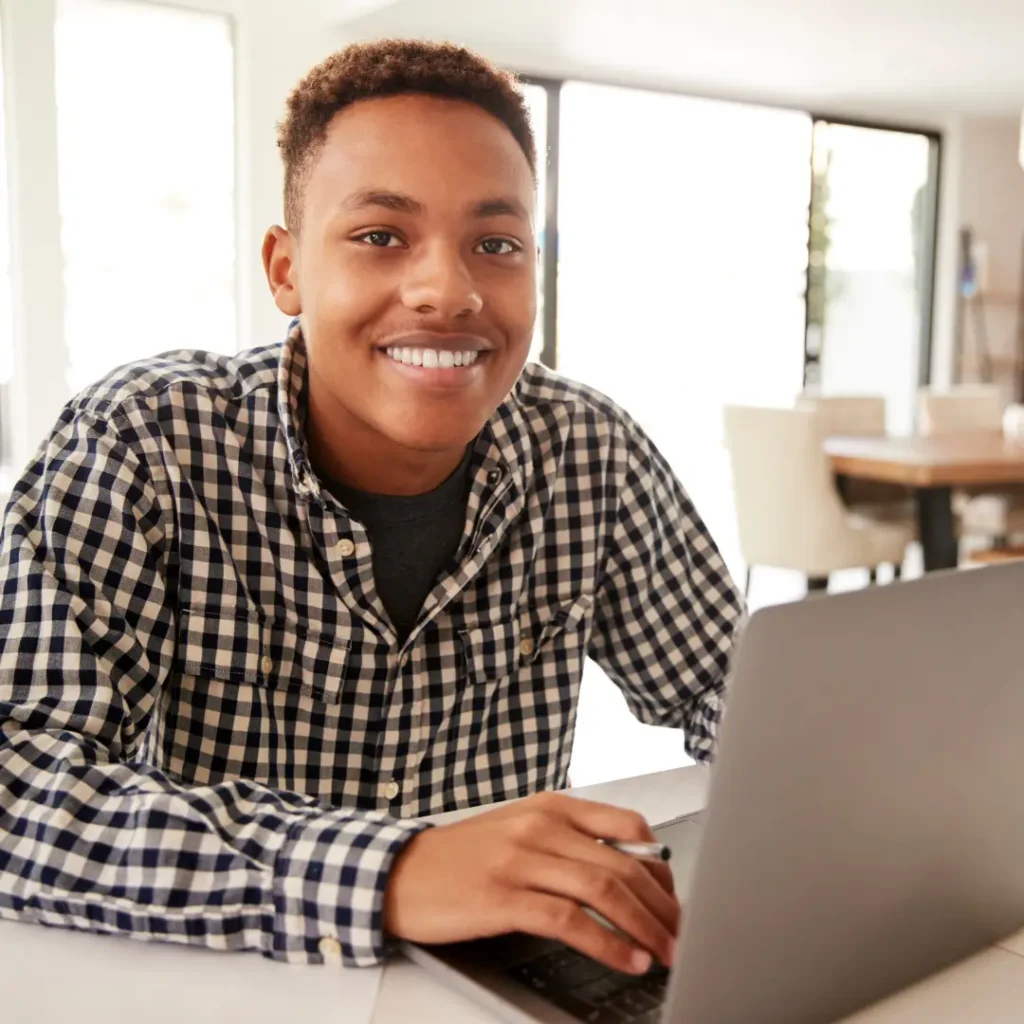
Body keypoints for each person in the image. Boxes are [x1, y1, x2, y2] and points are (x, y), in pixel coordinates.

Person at [0, 40, 742, 978]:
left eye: (496, 245)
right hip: (233, 982)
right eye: (381, 236)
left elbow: (733, 689)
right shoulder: (143, 443)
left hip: (497, 988)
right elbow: (15, 782)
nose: (448, 291)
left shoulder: (590, 451)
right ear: (286, 270)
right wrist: (390, 871)